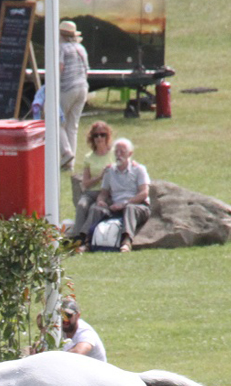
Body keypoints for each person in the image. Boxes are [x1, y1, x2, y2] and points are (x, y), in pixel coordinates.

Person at [82, 138, 151, 253]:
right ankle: (86, 241)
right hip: (115, 206)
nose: (118, 155)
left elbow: (144, 193)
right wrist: (101, 201)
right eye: (116, 152)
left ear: (130, 153)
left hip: (137, 206)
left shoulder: (139, 169)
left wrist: (124, 203)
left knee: (130, 208)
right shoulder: (110, 171)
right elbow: (103, 193)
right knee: (95, 208)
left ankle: (127, 242)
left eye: (122, 152)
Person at [69, 122, 114, 240]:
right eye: (96, 135)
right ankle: (76, 236)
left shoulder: (113, 155)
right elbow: (85, 183)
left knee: (95, 208)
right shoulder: (89, 157)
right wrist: (99, 177)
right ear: (92, 138)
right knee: (81, 205)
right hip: (91, 192)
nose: (99, 138)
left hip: (106, 193)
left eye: (102, 134)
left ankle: (83, 237)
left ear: (107, 136)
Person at [58, 20, 89, 172]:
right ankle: (70, 162)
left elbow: (60, 68)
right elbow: (86, 69)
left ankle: (66, 152)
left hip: (67, 87)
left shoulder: (61, 48)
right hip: (82, 87)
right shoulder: (81, 48)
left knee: (57, 122)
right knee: (72, 125)